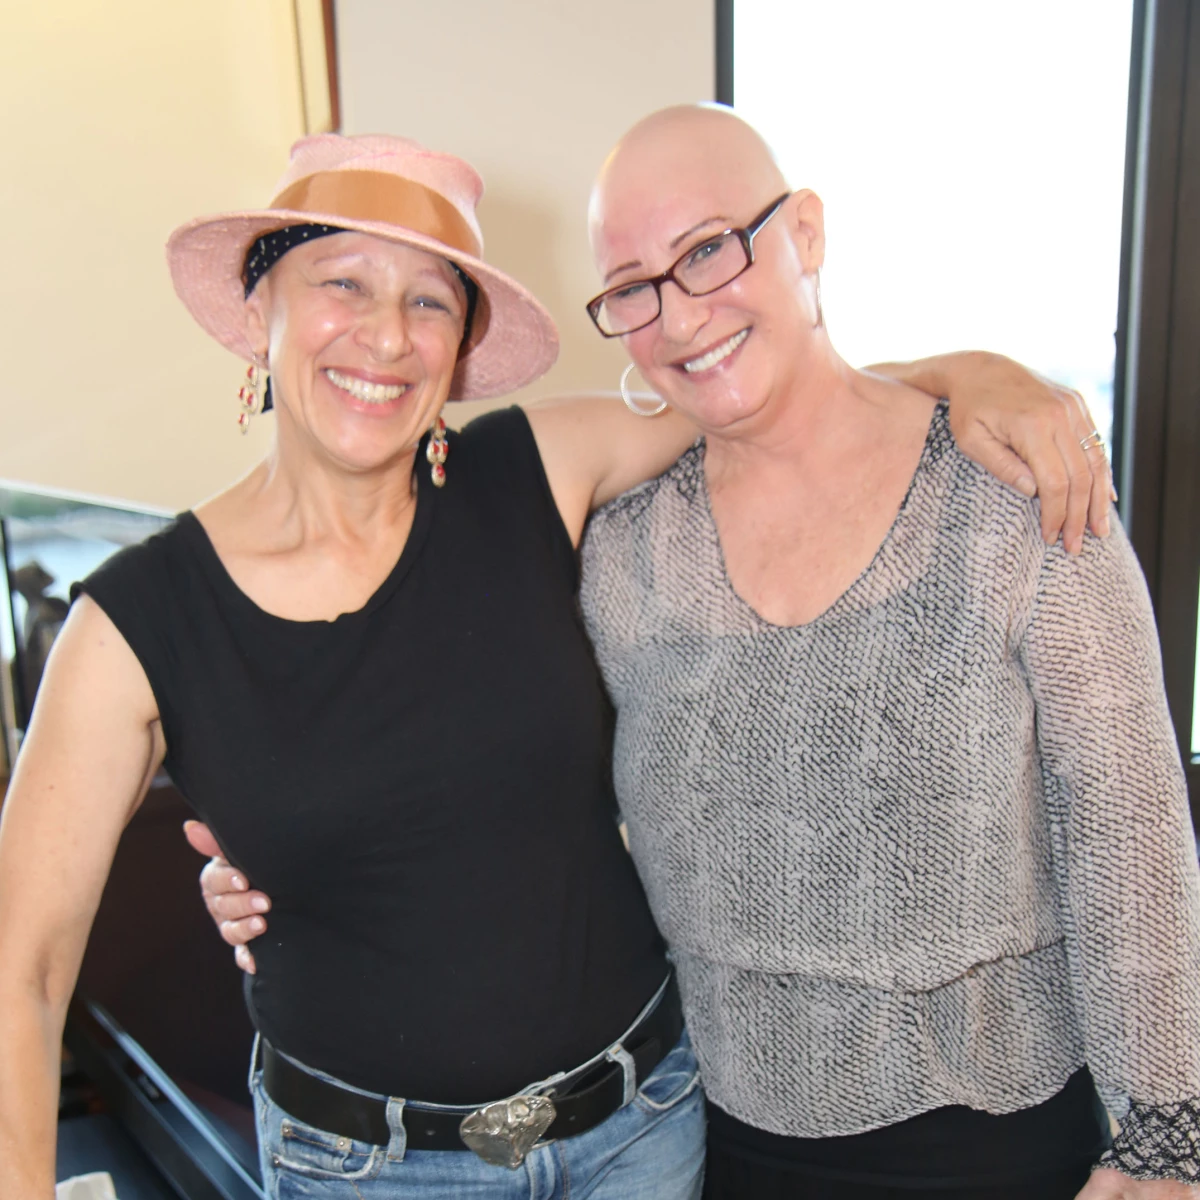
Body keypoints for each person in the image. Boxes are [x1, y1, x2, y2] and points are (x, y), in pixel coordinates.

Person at [0, 130, 1105, 1200]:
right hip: (370, 1173)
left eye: (429, 301)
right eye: (342, 283)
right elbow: (22, 970)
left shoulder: (536, 470)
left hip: (644, 1134)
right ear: (259, 313)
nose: (386, 337)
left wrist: (966, 372)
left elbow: (778, 399)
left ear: (458, 347)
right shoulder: (136, 623)